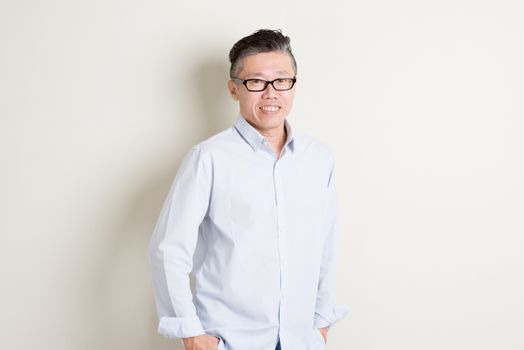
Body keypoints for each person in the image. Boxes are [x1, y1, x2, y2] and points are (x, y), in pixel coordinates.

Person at [148, 29, 348, 350]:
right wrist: (191, 333)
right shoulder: (208, 158)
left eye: (282, 81)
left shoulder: (318, 158)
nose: (271, 93)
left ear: (293, 84)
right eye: (256, 82)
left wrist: (321, 323)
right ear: (233, 89)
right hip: (231, 341)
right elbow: (169, 250)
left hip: (301, 340)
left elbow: (326, 245)